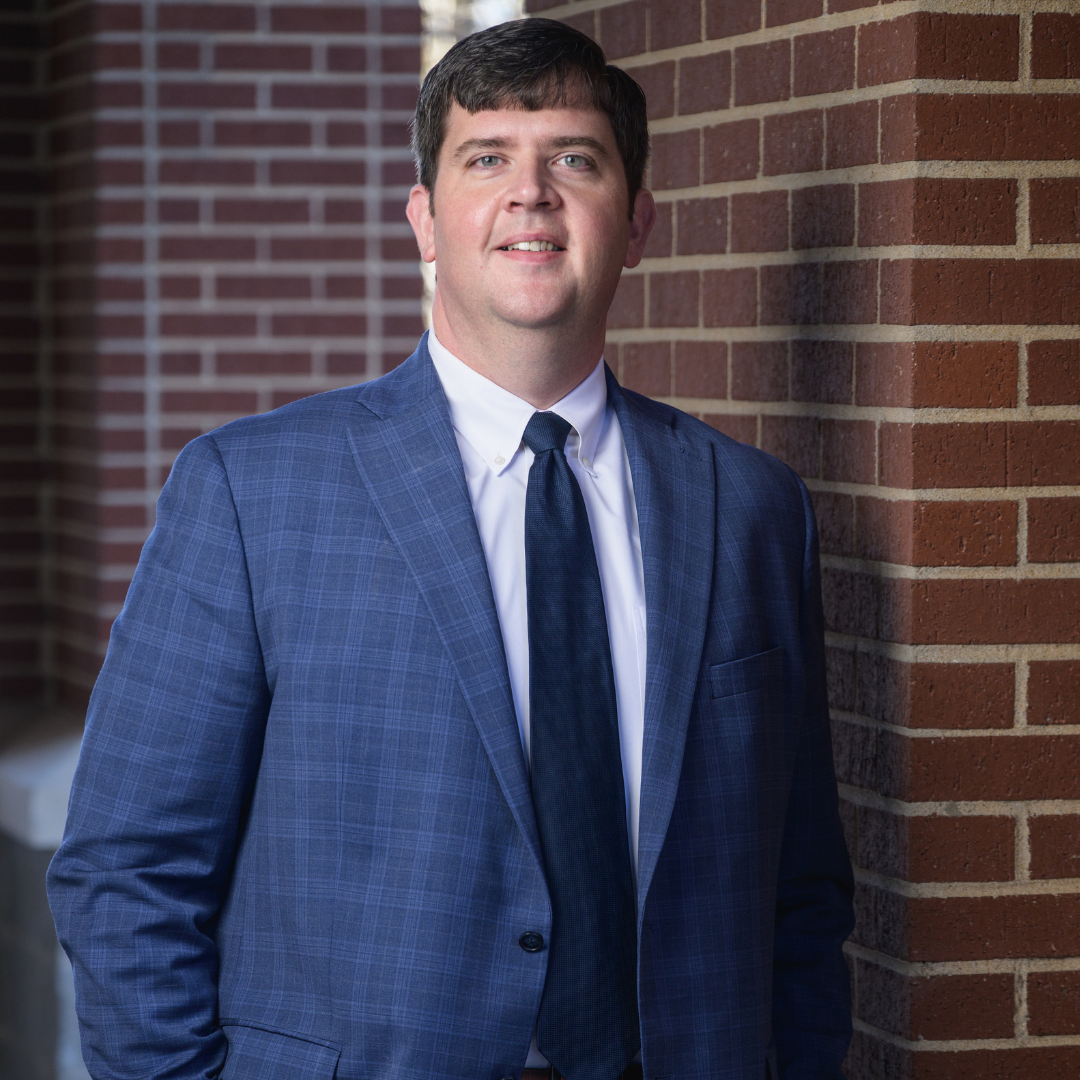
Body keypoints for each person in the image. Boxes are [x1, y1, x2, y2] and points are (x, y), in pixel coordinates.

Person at [48, 18, 854, 1080]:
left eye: (575, 158)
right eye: (488, 159)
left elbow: (799, 890)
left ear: (639, 220)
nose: (532, 192)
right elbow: (127, 872)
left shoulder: (751, 509)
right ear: (426, 220)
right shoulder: (251, 492)